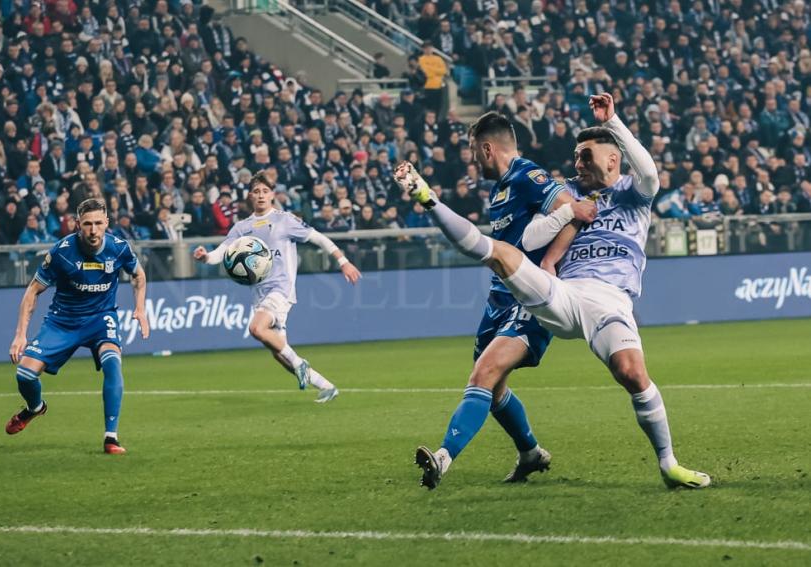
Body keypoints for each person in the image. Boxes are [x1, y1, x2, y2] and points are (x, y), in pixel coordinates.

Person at [394, 94, 711, 490]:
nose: (577, 164)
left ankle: (669, 464)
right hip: (562, 292)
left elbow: (649, 170)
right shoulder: (569, 193)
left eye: (585, 156)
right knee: (502, 255)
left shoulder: (634, 193)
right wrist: (564, 217)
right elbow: (528, 237)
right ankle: (430, 200)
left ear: (613, 159)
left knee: (630, 372)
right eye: (576, 157)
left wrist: (613, 122)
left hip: (609, 297)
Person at [193, 172, 361, 402]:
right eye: (256, 191)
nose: (261, 195)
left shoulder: (285, 220)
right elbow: (219, 254)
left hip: (280, 290)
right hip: (259, 294)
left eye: (265, 191)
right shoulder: (242, 227)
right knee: (278, 351)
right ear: (249, 196)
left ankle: (301, 364)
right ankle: (327, 386)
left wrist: (343, 261)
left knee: (256, 329)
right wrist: (204, 257)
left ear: (272, 194)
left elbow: (319, 238)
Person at [6, 198, 150, 454]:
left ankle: (111, 437)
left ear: (107, 223)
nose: (93, 230)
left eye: (98, 223)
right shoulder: (62, 252)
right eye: (87, 224)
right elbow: (33, 291)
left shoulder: (119, 248)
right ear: (77, 224)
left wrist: (140, 308)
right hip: (63, 321)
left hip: (101, 318)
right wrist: (20, 334)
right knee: (25, 375)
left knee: (113, 362)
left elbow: (138, 274)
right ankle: (35, 408)